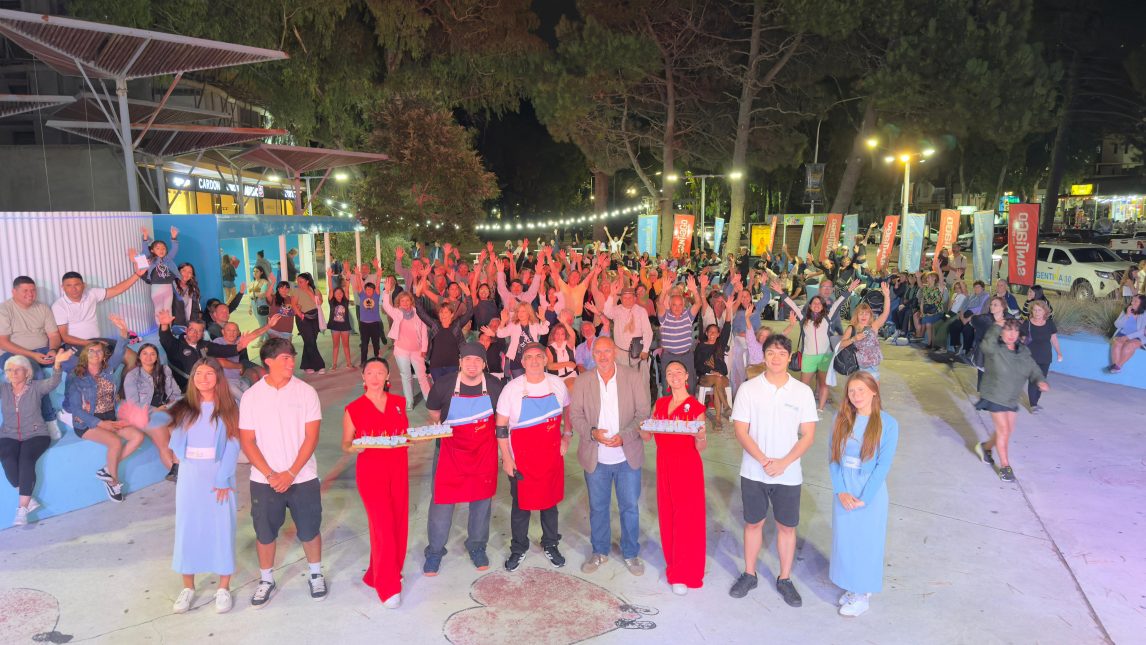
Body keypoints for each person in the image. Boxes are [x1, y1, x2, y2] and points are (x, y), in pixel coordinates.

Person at [729, 334, 817, 607]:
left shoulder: (802, 392)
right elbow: (740, 431)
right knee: (753, 522)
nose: (776, 358)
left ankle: (785, 578)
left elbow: (808, 435)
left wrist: (783, 462)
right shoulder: (748, 389)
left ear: (790, 358)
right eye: (771, 353)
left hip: (788, 474)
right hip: (754, 471)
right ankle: (749, 573)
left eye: (781, 353)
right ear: (763, 356)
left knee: (786, 527)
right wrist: (765, 460)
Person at [239, 337, 326, 607]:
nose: (291, 362)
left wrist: (290, 473)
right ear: (268, 362)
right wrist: (270, 475)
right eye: (285, 358)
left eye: (292, 357)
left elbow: (311, 438)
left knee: (310, 529)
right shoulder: (252, 396)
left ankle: (315, 573)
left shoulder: (306, 392)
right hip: (264, 480)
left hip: (302, 477)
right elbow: (247, 441)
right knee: (265, 532)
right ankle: (266, 579)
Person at [570, 337, 652, 577]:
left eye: (607, 351)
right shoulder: (583, 381)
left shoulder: (633, 377)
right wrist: (592, 433)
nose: (603, 356)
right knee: (598, 507)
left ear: (615, 352)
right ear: (592, 355)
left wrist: (625, 436)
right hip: (596, 457)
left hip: (627, 456)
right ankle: (599, 551)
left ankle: (630, 553)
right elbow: (575, 416)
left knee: (629, 507)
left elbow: (643, 412)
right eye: (598, 352)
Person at [423, 343, 505, 575]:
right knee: (442, 504)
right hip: (450, 454)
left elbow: (501, 418)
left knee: (481, 503)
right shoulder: (445, 385)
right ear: (460, 361)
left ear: (484, 364)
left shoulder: (494, 386)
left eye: (477, 360)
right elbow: (434, 414)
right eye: (467, 359)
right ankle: (435, 552)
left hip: (483, 454)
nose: (472, 364)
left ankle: (477, 546)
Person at [168, 358, 241, 615]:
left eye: (210, 373)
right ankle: (188, 587)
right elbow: (162, 426)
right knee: (188, 527)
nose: (204, 378)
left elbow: (233, 445)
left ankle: (223, 587)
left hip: (219, 474)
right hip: (190, 475)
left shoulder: (230, 406)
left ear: (218, 378)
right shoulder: (182, 407)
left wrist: (223, 478)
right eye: (199, 373)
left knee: (222, 527)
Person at [494, 342, 571, 571]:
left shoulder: (557, 384)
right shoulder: (512, 389)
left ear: (545, 360)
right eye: (529, 357)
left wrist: (567, 435)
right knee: (521, 506)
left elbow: (568, 409)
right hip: (522, 460)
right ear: (523, 362)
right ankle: (518, 548)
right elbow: (501, 426)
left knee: (550, 504)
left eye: (539, 356)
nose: (535, 361)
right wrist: (506, 458)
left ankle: (550, 543)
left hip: (551, 457)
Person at [829, 371, 900, 617]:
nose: (856, 395)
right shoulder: (842, 419)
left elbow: (883, 466)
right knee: (846, 541)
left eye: (861, 390)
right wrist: (840, 491)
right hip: (845, 486)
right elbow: (834, 458)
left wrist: (864, 497)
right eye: (851, 391)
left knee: (866, 542)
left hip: (869, 489)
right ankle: (852, 585)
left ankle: (863, 594)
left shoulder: (888, 424)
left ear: (874, 390)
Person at [342, 358, 409, 608]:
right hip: (371, 474)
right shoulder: (354, 408)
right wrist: (356, 448)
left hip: (398, 470)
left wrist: (411, 440)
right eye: (370, 372)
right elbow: (345, 444)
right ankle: (388, 585)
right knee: (382, 527)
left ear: (387, 376)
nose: (375, 376)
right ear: (363, 377)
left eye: (380, 372)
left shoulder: (399, 404)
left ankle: (378, 573)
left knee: (399, 522)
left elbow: (404, 435)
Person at [639, 360, 706, 595]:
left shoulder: (696, 407)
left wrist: (700, 436)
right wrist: (641, 426)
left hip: (687, 466)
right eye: (669, 373)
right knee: (668, 515)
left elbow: (702, 445)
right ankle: (673, 562)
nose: (674, 375)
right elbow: (648, 436)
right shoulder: (661, 403)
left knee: (686, 518)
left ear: (687, 376)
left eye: (678, 371)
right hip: (664, 464)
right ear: (666, 379)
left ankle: (684, 572)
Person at [63, 316, 141, 502]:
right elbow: (76, 409)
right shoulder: (76, 375)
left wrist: (123, 332)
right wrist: (101, 423)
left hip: (109, 416)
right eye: (91, 351)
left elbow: (120, 350)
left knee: (137, 436)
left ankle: (107, 469)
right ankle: (113, 482)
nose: (96, 354)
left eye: (99, 352)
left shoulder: (107, 369)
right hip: (87, 422)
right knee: (115, 442)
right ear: (84, 355)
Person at [1, 348, 73, 525]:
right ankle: (27, 496)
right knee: (7, 457)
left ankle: (22, 509)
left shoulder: (36, 387)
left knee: (26, 460)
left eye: (17, 369)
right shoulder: (3, 389)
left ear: (27, 372)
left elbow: (54, 382)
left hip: (36, 434)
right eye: (9, 370)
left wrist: (57, 364)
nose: (13, 373)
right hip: (8, 434)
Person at [972, 320, 1049, 482]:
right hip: (994, 394)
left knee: (1006, 431)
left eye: (1015, 330)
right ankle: (1005, 466)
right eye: (1007, 330)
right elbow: (985, 345)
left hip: (1011, 398)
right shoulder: (995, 349)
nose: (1012, 334)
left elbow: (1033, 368)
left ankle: (985, 448)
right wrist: (996, 326)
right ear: (1001, 332)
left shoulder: (1023, 352)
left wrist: (1039, 380)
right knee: (1004, 430)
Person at [0, 276, 63, 422]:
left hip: (42, 349)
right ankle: (49, 419)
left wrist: (53, 350)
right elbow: (2, 343)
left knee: (74, 363)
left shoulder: (43, 308)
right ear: (14, 292)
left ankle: (72, 410)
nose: (30, 293)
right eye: (25, 290)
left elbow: (54, 335)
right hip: (12, 353)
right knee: (35, 373)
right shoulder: (4, 309)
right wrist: (32, 356)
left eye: (33, 290)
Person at [122, 343, 182, 481]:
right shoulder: (133, 376)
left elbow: (177, 393)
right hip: (145, 413)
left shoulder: (165, 370)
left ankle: (177, 470)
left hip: (166, 410)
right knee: (165, 444)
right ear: (139, 356)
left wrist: (169, 406)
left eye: (152, 354)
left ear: (157, 357)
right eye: (145, 353)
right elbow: (134, 404)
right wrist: (156, 409)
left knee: (178, 430)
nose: (148, 357)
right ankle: (179, 477)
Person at [52, 267, 144, 357]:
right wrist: (91, 343)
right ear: (62, 287)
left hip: (97, 341)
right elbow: (65, 337)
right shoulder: (59, 306)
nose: (73, 289)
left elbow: (117, 290)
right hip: (75, 344)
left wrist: (137, 275)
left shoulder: (91, 294)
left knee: (132, 357)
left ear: (84, 285)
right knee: (95, 360)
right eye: (68, 285)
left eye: (77, 284)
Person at [382, 281, 430, 409]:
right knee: (406, 376)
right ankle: (409, 401)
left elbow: (424, 332)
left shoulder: (419, 313)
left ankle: (429, 399)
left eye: (407, 300)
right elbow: (386, 306)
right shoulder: (397, 313)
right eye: (402, 301)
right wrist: (386, 292)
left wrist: (424, 348)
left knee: (422, 376)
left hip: (417, 351)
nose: (405, 303)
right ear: (399, 303)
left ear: (411, 301)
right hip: (401, 350)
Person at [782, 295, 832, 411]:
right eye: (814, 303)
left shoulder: (828, 317)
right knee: (803, 386)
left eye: (819, 303)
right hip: (808, 357)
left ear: (823, 306)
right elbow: (792, 304)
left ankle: (820, 409)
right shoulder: (804, 318)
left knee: (824, 384)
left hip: (825, 357)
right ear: (809, 306)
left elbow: (840, 302)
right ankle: (801, 408)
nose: (816, 305)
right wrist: (781, 292)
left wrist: (849, 290)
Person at [657, 274, 704, 391]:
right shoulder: (665, 316)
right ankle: (670, 409)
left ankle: (688, 409)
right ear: (669, 305)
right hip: (669, 357)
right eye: (674, 305)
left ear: (684, 305)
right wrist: (664, 291)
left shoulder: (688, 315)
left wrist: (694, 290)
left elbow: (698, 303)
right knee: (668, 388)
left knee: (690, 386)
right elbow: (659, 304)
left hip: (686, 356)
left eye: (680, 305)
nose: (677, 308)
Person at [836, 283, 892, 379]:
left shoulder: (874, 326)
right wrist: (854, 339)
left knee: (874, 393)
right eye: (861, 314)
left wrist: (886, 296)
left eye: (866, 314)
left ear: (871, 316)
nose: (863, 316)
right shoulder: (851, 328)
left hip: (873, 368)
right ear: (856, 315)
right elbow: (840, 345)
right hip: (857, 368)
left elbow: (886, 312)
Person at [1023, 300, 1062, 413]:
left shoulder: (1049, 324)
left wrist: (1059, 352)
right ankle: (1033, 404)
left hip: (1045, 356)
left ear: (1045, 311)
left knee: (1041, 380)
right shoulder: (1027, 323)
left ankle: (1035, 401)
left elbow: (1054, 339)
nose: (1037, 312)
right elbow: (1021, 339)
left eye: (1039, 310)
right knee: (1033, 380)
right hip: (1031, 357)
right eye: (1034, 310)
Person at [494, 302, 550, 379]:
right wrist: (503, 321)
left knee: (534, 381)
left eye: (523, 311)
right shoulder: (513, 325)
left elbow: (545, 331)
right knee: (520, 384)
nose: (520, 313)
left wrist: (543, 319)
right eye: (518, 311)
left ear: (529, 313)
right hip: (516, 360)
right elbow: (500, 334)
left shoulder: (534, 324)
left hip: (532, 359)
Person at [157, 310, 209, 390]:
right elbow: (166, 338)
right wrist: (164, 325)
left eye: (199, 331)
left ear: (202, 334)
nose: (195, 333)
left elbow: (224, 349)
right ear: (186, 330)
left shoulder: (205, 344)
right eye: (192, 330)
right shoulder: (176, 345)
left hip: (205, 384)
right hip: (185, 389)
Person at [140, 226, 180, 313]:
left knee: (168, 309)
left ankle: (168, 326)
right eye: (158, 248)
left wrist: (174, 238)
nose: (161, 250)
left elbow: (174, 249)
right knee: (158, 309)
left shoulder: (167, 259)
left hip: (168, 287)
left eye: (163, 248)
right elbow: (145, 250)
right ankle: (160, 326)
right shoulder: (151, 259)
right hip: (156, 287)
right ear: (152, 250)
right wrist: (145, 237)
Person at [292, 273, 326, 374]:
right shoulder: (296, 291)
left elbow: (319, 302)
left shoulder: (315, 290)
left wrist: (307, 291)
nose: (299, 283)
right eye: (297, 281)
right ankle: (320, 365)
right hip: (303, 318)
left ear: (307, 281)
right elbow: (293, 304)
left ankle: (306, 365)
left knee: (310, 342)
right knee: (310, 341)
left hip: (315, 317)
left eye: (301, 282)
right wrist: (300, 315)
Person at [1105, 294, 1146, 374]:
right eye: (1132, 300)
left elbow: (1142, 331)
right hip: (1122, 333)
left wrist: (1127, 337)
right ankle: (1116, 367)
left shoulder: (1144, 314)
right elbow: (1117, 325)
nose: (1132, 303)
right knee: (1117, 342)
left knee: (1130, 345)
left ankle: (1118, 366)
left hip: (1138, 336)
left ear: (1142, 304)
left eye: (1135, 301)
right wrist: (1127, 315)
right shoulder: (1126, 311)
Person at [352, 270, 385, 366]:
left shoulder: (376, 295)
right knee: (364, 344)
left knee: (376, 343)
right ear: (365, 290)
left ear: (374, 290)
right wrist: (358, 275)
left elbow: (378, 285)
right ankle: (363, 361)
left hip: (374, 323)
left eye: (371, 289)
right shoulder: (362, 295)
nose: (369, 291)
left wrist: (379, 275)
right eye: (367, 289)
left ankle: (377, 358)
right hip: (364, 324)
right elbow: (359, 285)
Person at [327, 287, 354, 370]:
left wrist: (348, 279)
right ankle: (334, 364)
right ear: (334, 295)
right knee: (336, 346)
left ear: (343, 295)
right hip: (335, 327)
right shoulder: (331, 302)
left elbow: (347, 290)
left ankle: (349, 363)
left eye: (341, 293)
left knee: (346, 345)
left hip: (345, 327)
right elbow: (331, 290)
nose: (339, 294)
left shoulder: (345, 301)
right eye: (337, 293)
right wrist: (329, 277)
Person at [248, 266, 271, 341]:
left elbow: (263, 294)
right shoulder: (252, 282)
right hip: (254, 303)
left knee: (263, 323)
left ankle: (264, 340)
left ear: (261, 272)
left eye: (257, 271)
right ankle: (263, 339)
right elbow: (250, 296)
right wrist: (250, 307)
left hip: (261, 303)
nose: (255, 273)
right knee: (261, 323)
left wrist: (254, 294)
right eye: (254, 271)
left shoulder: (264, 282)